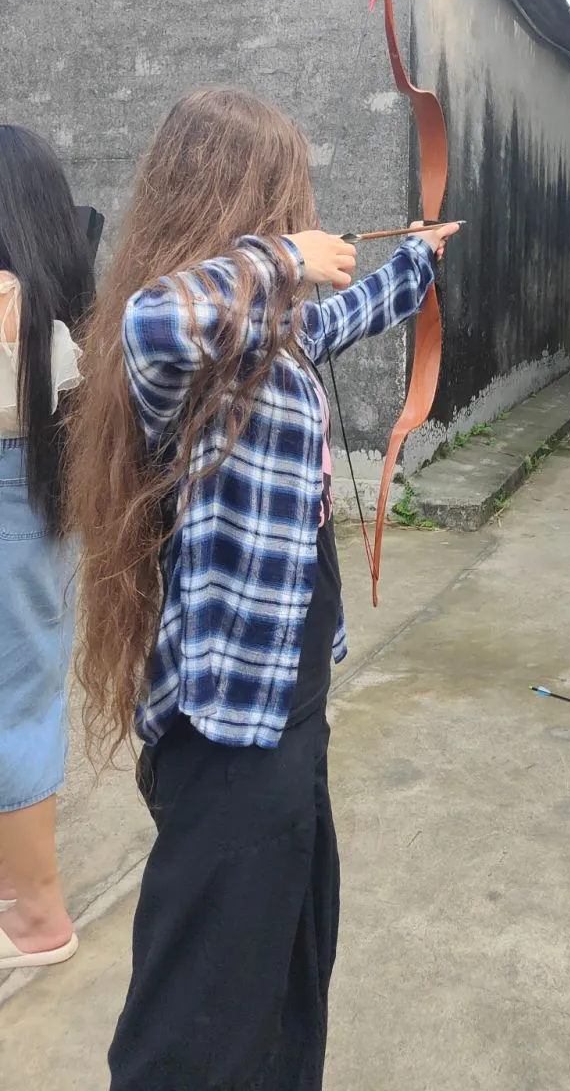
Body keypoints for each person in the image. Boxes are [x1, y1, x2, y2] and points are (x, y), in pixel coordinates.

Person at [68, 87, 458, 1090]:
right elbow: (160, 321)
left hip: (288, 707)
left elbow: (332, 323)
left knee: (288, 957)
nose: (305, 216)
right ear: (236, 197)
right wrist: (287, 257)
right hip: (228, 729)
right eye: (288, 197)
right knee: (201, 1005)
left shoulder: (262, 336)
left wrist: (416, 261)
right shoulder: (175, 333)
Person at [0, 125, 95, 972]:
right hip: (39, 502)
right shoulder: (59, 298)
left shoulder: (11, 304)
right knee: (20, 696)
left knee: (15, 704)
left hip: (14, 508)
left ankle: (36, 918)